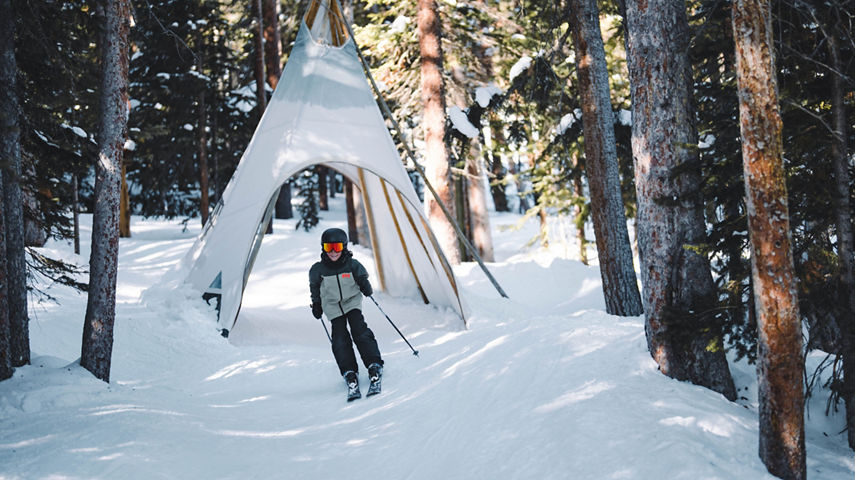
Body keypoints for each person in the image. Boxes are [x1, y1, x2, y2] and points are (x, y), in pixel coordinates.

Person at [309, 227, 383, 399]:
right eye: (329, 248)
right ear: (323, 248)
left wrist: (365, 285)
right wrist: (317, 304)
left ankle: (374, 363)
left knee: (359, 329)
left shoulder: (352, 264)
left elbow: (362, 276)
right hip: (332, 305)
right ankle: (349, 370)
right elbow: (314, 288)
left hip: (352, 302)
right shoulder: (318, 270)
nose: (333, 252)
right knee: (340, 337)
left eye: (337, 247)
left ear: (344, 247)